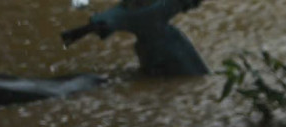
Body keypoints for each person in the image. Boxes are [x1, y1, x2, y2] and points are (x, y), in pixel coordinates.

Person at [63, 0, 208, 78]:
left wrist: (78, 33)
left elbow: (103, 22)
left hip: (163, 50)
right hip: (169, 48)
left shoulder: (123, 13)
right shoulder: (161, 5)